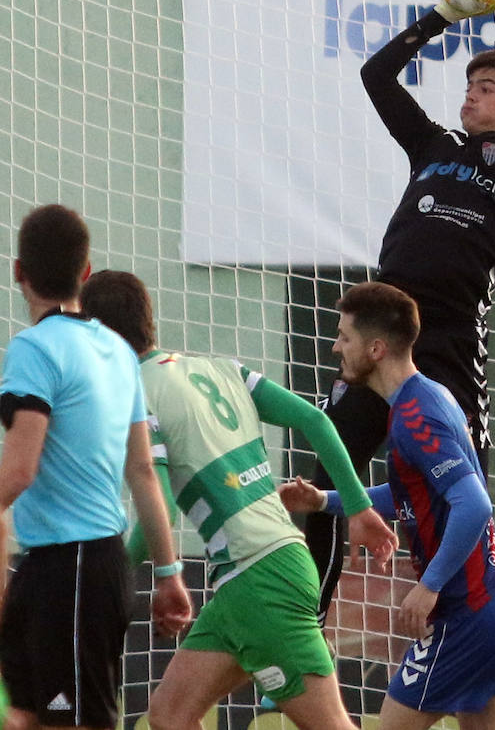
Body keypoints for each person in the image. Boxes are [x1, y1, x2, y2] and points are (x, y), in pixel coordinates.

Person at [302, 0, 495, 626]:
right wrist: (443, 17)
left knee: (459, 493)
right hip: (380, 331)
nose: (471, 96)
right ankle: (307, 615)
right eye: (468, 85)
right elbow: (375, 75)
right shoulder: (434, 146)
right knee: (330, 470)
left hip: (444, 347)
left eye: (488, 87)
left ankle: (460, 617)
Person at [79, 270, 399, 730]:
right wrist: (356, 505)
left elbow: (162, 508)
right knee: (169, 717)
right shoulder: (220, 369)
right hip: (250, 578)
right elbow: (315, 420)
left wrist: (118, 576)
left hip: (261, 580)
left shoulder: (138, 395)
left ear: (101, 337)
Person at [280, 282, 495, 730]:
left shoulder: (416, 417)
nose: (336, 347)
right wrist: (325, 500)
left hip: (469, 607)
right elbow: (411, 498)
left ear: (375, 348)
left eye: (345, 337)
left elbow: (474, 504)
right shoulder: (426, 398)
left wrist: (430, 585)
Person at [0, 204, 192, 730]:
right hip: (68, 566)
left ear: (18, 270)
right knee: (24, 715)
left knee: (70, 721)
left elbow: (18, 471)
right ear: (85, 273)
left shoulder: (32, 351)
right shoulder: (116, 350)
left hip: (73, 569)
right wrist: (169, 573)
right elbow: (143, 472)